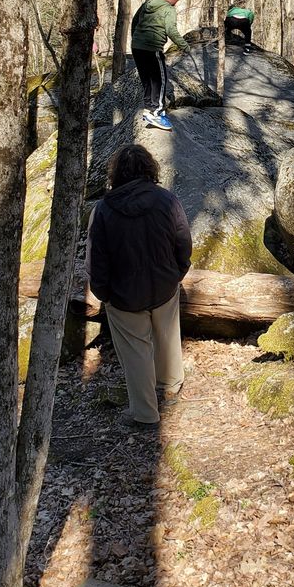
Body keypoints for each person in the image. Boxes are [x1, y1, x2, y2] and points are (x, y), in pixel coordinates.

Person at [86, 144, 191, 428]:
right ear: (150, 169)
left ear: (115, 173)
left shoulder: (103, 210)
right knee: (167, 335)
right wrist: (178, 272)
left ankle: (145, 413)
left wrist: (103, 293)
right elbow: (183, 241)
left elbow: (96, 259)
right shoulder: (167, 200)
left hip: (123, 295)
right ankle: (169, 386)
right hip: (164, 284)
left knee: (136, 351)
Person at [130, 0, 189, 131]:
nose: (178, 1)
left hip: (137, 47)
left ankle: (149, 108)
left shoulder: (147, 4)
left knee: (147, 79)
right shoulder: (169, 9)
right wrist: (184, 46)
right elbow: (171, 30)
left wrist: (135, 38)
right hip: (152, 48)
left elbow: (135, 21)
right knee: (160, 79)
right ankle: (157, 112)